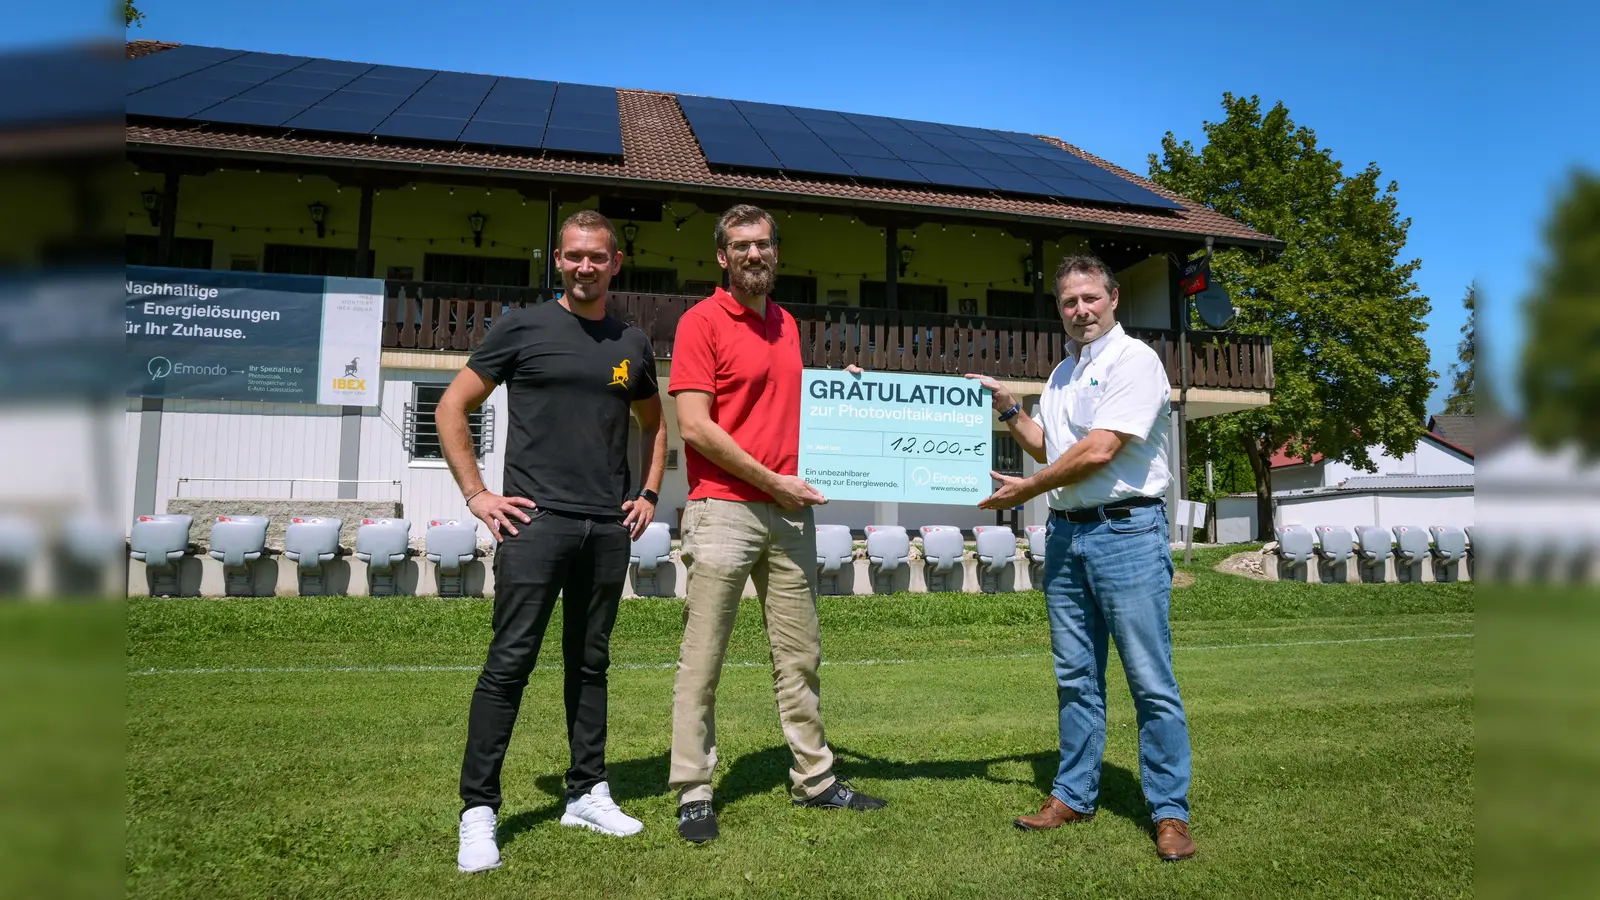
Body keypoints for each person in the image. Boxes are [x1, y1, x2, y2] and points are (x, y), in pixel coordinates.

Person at [436, 209, 667, 873]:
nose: (585, 267)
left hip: (606, 528)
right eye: (574, 256)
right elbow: (452, 407)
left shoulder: (632, 342)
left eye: (597, 256)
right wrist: (478, 495)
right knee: (509, 663)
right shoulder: (522, 327)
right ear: (558, 260)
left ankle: (586, 791)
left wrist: (648, 493)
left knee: (589, 665)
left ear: (616, 263)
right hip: (535, 525)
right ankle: (478, 811)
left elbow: (656, 424)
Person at [665, 203, 888, 843]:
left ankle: (815, 778)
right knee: (702, 659)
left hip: (788, 516)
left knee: (801, 656)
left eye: (762, 244)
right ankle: (694, 790)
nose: (753, 255)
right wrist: (772, 482)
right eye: (741, 246)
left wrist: (841, 394)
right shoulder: (700, 322)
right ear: (722, 256)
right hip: (723, 510)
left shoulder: (786, 324)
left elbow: (782, 404)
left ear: (776, 251)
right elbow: (697, 428)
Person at [967, 254, 1196, 862]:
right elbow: (1051, 446)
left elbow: (1100, 450)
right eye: (1069, 302)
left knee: (1150, 679)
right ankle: (1073, 793)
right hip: (1067, 536)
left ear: (1114, 298)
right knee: (1075, 677)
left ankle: (1169, 812)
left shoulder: (1137, 361)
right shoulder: (1063, 373)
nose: (1080, 310)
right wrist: (1012, 410)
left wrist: (1026, 490)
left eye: (1090, 298)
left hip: (1127, 533)